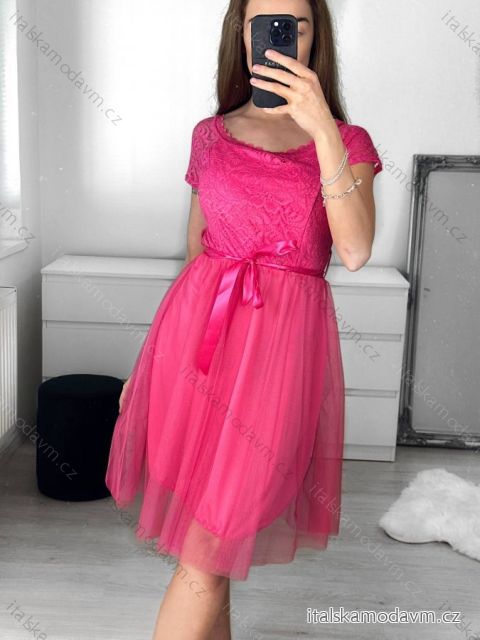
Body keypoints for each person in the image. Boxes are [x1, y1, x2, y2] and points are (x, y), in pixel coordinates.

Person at [105, 1, 383, 638]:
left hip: (277, 368)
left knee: (208, 548)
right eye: (263, 25)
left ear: (315, 40)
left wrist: (322, 128)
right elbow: (194, 255)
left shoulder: (349, 143)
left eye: (295, 26)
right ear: (242, 36)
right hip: (195, 354)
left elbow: (355, 249)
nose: (279, 40)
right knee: (209, 555)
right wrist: (147, 369)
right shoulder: (210, 134)